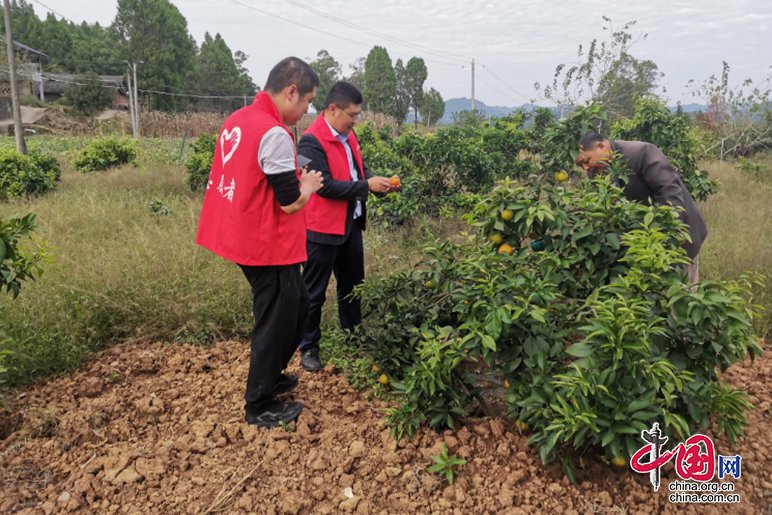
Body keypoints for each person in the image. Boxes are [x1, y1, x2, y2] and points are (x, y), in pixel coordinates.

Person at [195, 57, 323, 428]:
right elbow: (290, 202)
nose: (305, 112)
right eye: (306, 103)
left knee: (297, 304)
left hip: (241, 232)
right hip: (265, 243)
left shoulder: (239, 118)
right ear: (291, 91)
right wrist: (309, 187)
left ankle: (272, 374)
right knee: (275, 319)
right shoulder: (274, 132)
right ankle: (259, 403)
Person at [296, 81, 398, 371]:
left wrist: (376, 183)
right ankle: (309, 347)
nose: (355, 121)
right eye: (352, 115)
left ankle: (354, 335)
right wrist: (365, 185)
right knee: (314, 292)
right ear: (332, 109)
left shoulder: (349, 136)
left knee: (352, 286)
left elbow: (358, 171)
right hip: (321, 229)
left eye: (357, 116)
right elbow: (324, 186)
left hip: (350, 224)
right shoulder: (309, 142)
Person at [576, 130, 707, 283]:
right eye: (580, 165)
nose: (585, 168)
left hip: (678, 235)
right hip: (639, 244)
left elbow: (669, 190)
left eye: (586, 161)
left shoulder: (641, 153)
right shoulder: (596, 173)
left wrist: (672, 229)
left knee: (679, 292)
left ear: (601, 146)